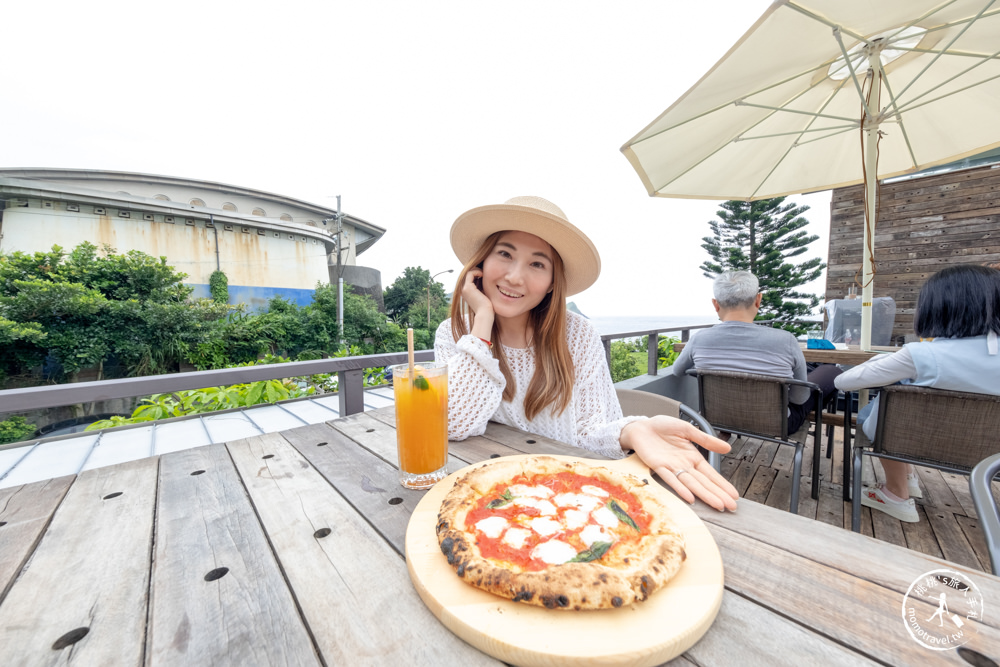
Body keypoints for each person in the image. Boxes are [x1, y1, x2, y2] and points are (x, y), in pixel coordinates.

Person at [434, 196, 738, 511]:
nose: (514, 276)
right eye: (504, 254)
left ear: (553, 283)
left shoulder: (577, 335)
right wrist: (482, 321)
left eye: (537, 263)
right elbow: (455, 424)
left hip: (565, 497)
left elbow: (590, 430)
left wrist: (632, 430)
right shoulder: (454, 334)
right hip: (485, 495)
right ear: (481, 263)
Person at [835, 264, 1000, 522]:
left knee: (877, 411)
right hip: (989, 454)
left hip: (917, 436)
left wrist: (886, 361)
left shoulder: (923, 355)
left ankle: (896, 492)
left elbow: (843, 381)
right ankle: (907, 478)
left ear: (939, 307)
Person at [671, 270, 842, 436]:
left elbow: (677, 370)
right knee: (831, 371)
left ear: (715, 304)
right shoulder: (786, 340)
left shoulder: (699, 338)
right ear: (758, 300)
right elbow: (799, 398)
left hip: (717, 418)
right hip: (779, 424)